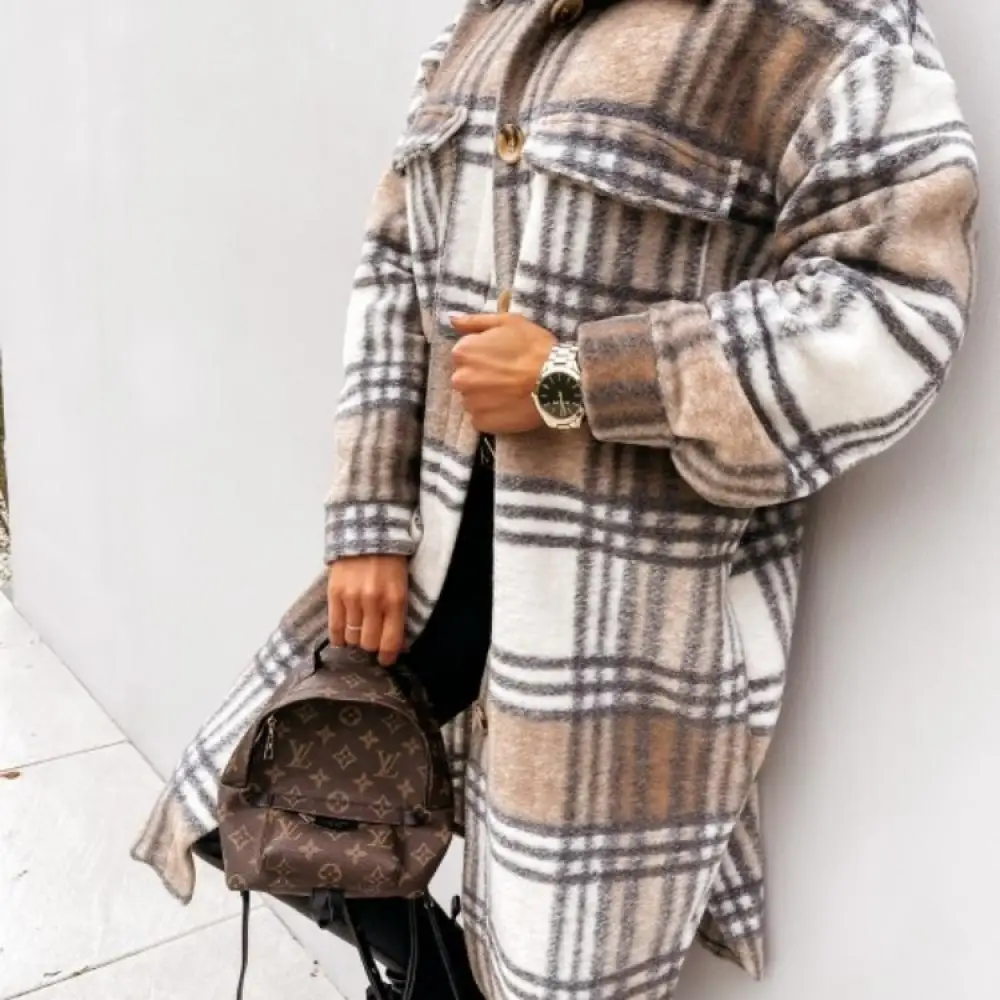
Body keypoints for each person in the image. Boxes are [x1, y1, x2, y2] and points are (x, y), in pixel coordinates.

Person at [134, 1, 978, 997]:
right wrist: (365, 517)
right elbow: (394, 268)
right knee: (254, 809)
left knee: (552, 966)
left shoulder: (812, 25)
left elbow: (896, 308)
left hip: (619, 622)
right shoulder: (487, 23)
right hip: (430, 566)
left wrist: (575, 379)